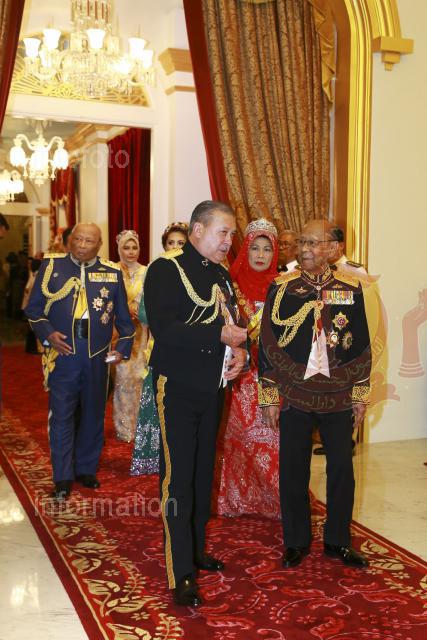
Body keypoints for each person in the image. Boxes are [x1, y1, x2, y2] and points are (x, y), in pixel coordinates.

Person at [144, 200, 247, 607]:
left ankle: (197, 549)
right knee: (178, 479)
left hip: (212, 387)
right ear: (198, 230)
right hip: (178, 387)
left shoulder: (220, 274)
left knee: (204, 474)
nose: (228, 241)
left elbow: (233, 323)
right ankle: (180, 569)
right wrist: (218, 337)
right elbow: (165, 329)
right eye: (223, 232)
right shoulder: (165, 269)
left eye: (232, 234)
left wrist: (241, 353)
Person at [258, 219, 371, 570]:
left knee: (342, 471)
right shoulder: (282, 288)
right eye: (302, 242)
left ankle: (338, 540)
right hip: (295, 393)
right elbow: (267, 344)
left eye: (313, 243)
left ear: (332, 248)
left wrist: (360, 393)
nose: (304, 249)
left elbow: (361, 345)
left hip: (338, 394)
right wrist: (269, 396)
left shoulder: (350, 288)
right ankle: (295, 541)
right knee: (293, 470)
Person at [25, 223, 135, 500]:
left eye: (89, 241)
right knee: (61, 416)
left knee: (93, 414)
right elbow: (34, 310)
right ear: (69, 240)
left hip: (97, 357)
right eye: (78, 239)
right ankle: (62, 477)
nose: (83, 245)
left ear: (100, 245)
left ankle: (86, 468)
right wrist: (48, 334)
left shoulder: (111, 273)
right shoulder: (52, 267)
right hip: (63, 355)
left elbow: (125, 322)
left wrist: (122, 349)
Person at [215, 218, 281, 517]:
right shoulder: (230, 285)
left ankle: (274, 498)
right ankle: (237, 498)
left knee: (272, 438)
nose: (260, 254)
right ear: (245, 250)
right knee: (239, 440)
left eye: (267, 249)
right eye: (255, 248)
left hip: (272, 376)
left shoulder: (282, 288)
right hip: (239, 375)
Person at [131, 225, 190, 476]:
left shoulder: (194, 273)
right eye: (170, 243)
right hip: (160, 347)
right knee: (156, 401)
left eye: (181, 243)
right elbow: (145, 313)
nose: (175, 247)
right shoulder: (155, 272)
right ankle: (152, 456)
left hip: (189, 350)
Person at [113, 230, 148, 442]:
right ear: (119, 249)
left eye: (134, 247)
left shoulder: (147, 271)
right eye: (126, 247)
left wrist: (141, 310)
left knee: (139, 378)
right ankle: (124, 427)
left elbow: (151, 299)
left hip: (142, 332)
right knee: (122, 378)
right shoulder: (112, 270)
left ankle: (140, 426)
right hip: (119, 332)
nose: (131, 251)